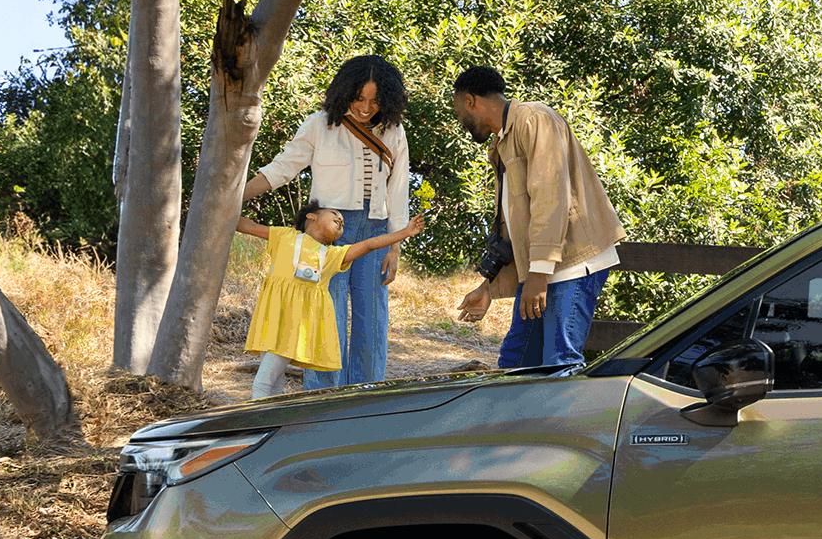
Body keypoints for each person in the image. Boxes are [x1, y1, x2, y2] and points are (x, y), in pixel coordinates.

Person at [246, 55, 414, 386]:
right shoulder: (318, 125)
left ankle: (366, 394)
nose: (366, 108)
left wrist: (395, 245)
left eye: (375, 101)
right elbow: (283, 167)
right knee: (324, 317)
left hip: (376, 230)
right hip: (328, 235)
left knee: (373, 318)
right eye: (359, 98)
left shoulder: (393, 131)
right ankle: (322, 397)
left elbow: (398, 190)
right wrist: (233, 198)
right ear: (344, 92)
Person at [449, 64, 620, 370]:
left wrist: (538, 276)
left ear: (470, 101)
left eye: (458, 110)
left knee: (560, 363)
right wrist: (489, 287)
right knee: (517, 361)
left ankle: (563, 420)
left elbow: (550, 197)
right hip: (542, 270)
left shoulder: (534, 119)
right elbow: (514, 226)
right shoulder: (501, 143)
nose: (460, 120)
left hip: (572, 263)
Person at [239, 199, 421, 399]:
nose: (341, 221)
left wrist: (404, 233)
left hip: (295, 329)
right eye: (335, 214)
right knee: (275, 381)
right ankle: (274, 421)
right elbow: (248, 227)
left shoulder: (332, 255)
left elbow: (369, 245)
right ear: (311, 216)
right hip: (272, 321)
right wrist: (217, 203)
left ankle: (257, 422)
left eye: (342, 223)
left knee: (263, 382)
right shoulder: (284, 236)